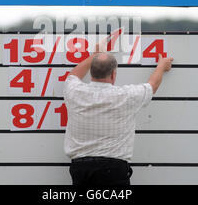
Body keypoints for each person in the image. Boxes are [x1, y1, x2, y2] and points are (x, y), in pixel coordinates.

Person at [63, 42, 173, 185]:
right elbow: (152, 86)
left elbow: (73, 75)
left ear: (91, 72)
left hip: (81, 169)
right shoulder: (126, 96)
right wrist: (161, 67)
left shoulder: (75, 92)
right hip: (114, 169)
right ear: (114, 74)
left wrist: (94, 56)